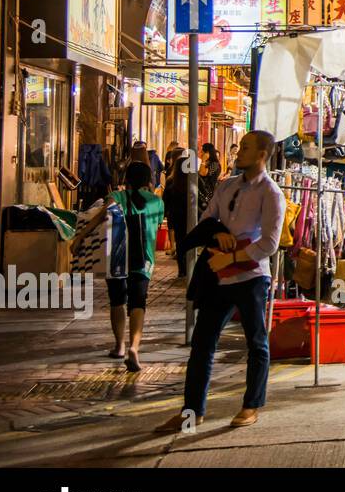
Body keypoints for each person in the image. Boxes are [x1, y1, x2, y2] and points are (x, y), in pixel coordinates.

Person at [156, 130, 284, 431]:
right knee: (202, 342)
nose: (238, 152)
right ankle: (192, 411)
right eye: (240, 147)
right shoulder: (226, 187)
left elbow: (270, 243)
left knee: (256, 343)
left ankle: (251, 405)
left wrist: (235, 257)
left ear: (262, 155)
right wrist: (219, 234)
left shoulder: (271, 193)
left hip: (252, 277)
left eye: (246, 148)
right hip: (218, 276)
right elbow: (206, 220)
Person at [72, 162, 163, 373]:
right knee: (138, 302)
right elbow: (156, 227)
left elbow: (101, 216)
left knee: (117, 300)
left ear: (127, 179)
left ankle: (119, 346)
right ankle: (134, 347)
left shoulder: (117, 196)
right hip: (144, 259)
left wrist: (80, 238)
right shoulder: (157, 202)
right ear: (148, 179)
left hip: (117, 257)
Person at [162, 147, 190, 278]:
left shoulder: (171, 182)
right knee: (190, 241)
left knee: (180, 242)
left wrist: (165, 214)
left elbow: (165, 200)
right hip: (189, 216)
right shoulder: (192, 182)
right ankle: (189, 267)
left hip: (176, 215)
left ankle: (182, 269)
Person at [198, 141, 222, 214]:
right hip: (202, 192)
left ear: (207, 153)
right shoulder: (207, 163)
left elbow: (203, 173)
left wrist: (203, 161)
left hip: (208, 194)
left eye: (202, 152)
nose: (200, 154)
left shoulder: (215, 164)